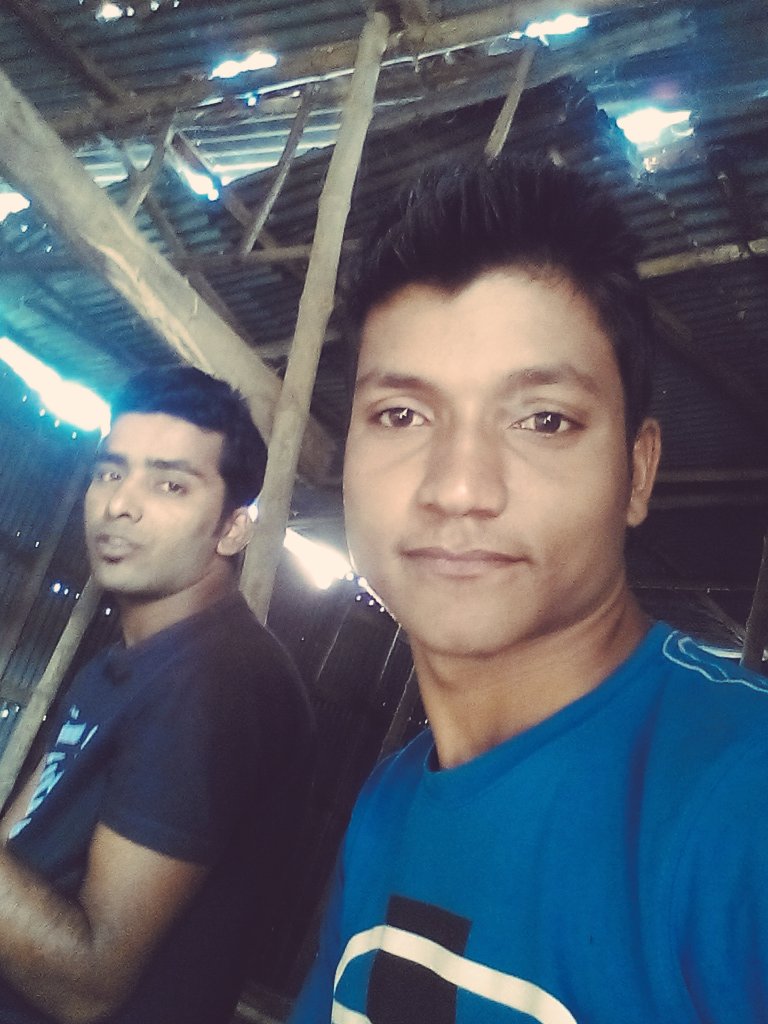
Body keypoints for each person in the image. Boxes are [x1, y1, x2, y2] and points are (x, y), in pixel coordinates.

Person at [290, 156, 768, 1024]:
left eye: (543, 420)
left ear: (636, 472)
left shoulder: (741, 803)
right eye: (401, 415)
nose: (458, 487)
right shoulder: (390, 804)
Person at [0, 365, 314, 1024]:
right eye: (110, 472)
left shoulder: (216, 681)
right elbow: (16, 841)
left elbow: (89, 984)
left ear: (233, 529)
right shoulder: (121, 664)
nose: (120, 504)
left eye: (170, 484)